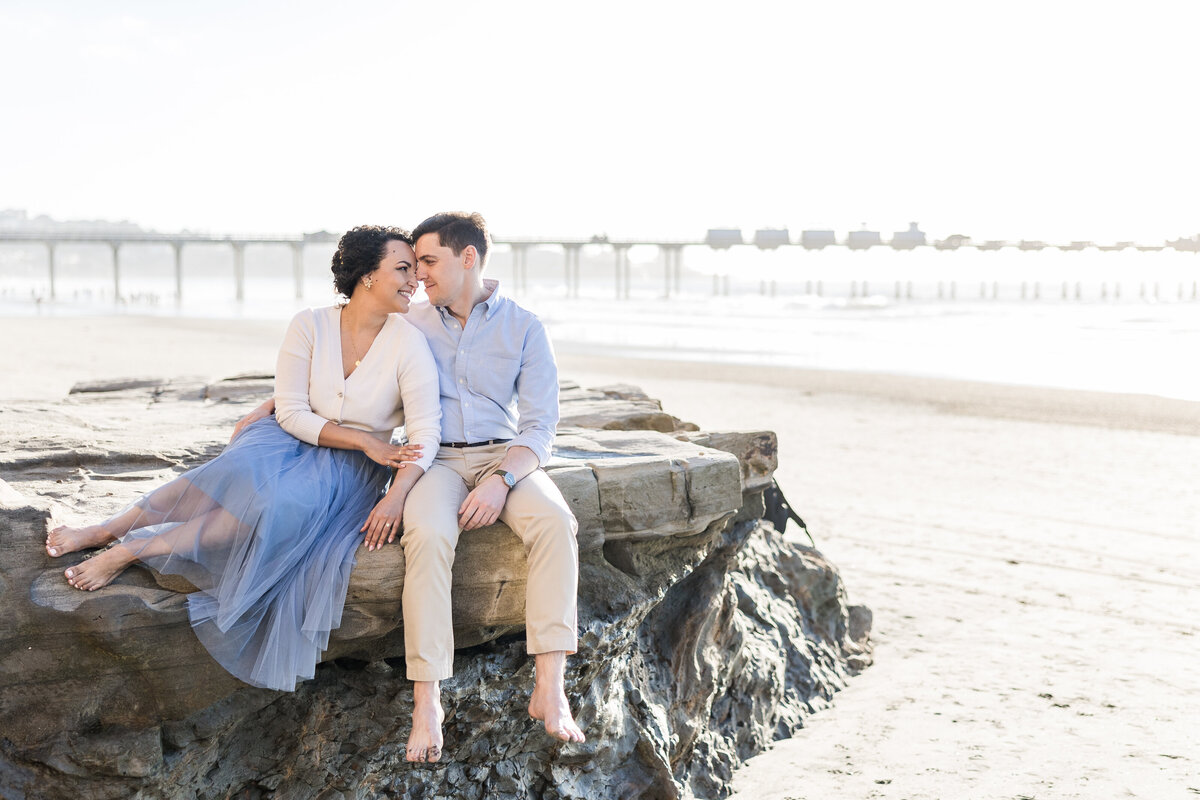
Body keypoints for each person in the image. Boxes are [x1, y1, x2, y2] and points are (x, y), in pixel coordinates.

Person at [235, 211, 585, 761]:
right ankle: (428, 701)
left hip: (506, 458)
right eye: (413, 264)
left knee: (557, 523)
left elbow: (540, 427)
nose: (417, 275)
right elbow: (346, 360)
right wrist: (276, 403)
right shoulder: (410, 322)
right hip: (435, 461)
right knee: (426, 537)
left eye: (427, 261)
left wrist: (503, 481)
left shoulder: (525, 327)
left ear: (467, 257)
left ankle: (551, 686)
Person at [44, 225, 441, 693]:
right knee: (234, 470)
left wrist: (395, 494)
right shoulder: (309, 323)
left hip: (349, 470)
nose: (414, 280)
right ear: (367, 276)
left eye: (415, 271)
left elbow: (426, 432)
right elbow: (291, 410)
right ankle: (106, 528)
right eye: (402, 269)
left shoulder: (408, 340)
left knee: (272, 508)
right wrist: (358, 438)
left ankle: (132, 548)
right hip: (292, 438)